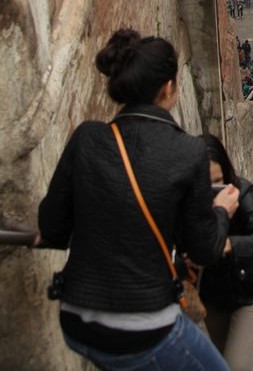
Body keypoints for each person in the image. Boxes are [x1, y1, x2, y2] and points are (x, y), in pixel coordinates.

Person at [37, 28, 240, 371]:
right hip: (141, 328)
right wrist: (221, 211)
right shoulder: (188, 151)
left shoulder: (87, 137)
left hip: (76, 319)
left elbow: (52, 228)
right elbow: (204, 249)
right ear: (168, 88)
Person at [200, 135, 253, 371]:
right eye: (204, 184)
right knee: (219, 362)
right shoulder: (185, 202)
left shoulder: (241, 192)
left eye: (218, 181)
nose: (213, 190)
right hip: (213, 293)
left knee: (237, 365)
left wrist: (229, 244)